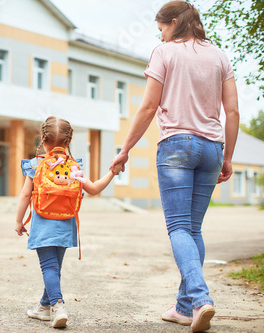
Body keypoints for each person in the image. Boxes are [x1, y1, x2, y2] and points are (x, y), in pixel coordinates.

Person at [110, 1, 239, 332]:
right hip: (212, 148)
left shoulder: (164, 53)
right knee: (193, 229)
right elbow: (233, 112)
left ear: (174, 21)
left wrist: (124, 149)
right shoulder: (220, 56)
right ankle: (183, 308)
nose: (161, 36)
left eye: (162, 29)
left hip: (177, 146)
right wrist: (227, 157)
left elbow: (149, 105)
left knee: (179, 228)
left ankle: (199, 298)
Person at [15, 116, 122, 328]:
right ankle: (43, 307)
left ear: (43, 141)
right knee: (54, 268)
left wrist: (19, 221)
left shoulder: (36, 164)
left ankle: (58, 305)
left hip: (43, 225)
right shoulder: (74, 167)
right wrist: (112, 172)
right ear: (69, 142)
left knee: (48, 267)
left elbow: (25, 196)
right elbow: (93, 189)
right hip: (65, 225)